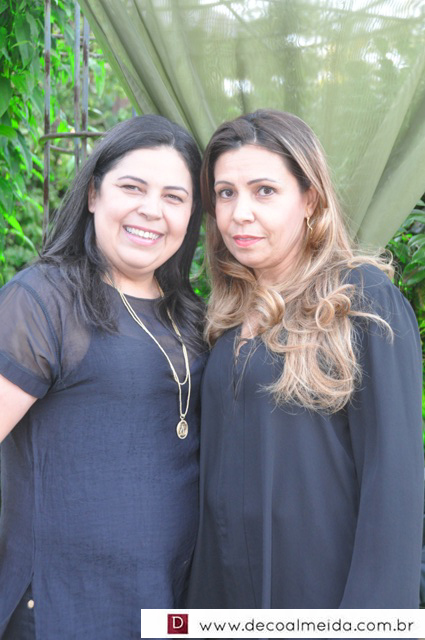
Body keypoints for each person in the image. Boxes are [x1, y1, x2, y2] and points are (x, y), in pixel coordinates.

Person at [187, 109, 424, 609]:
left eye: (264, 191)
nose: (239, 212)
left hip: (323, 599)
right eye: (226, 193)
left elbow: (394, 489)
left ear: (309, 199)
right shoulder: (224, 316)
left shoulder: (361, 299)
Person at [0, 114, 206, 638]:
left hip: (166, 607)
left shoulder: (194, 316)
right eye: (132, 187)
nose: (151, 210)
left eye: (174, 197)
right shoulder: (45, 299)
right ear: (94, 194)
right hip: (62, 611)